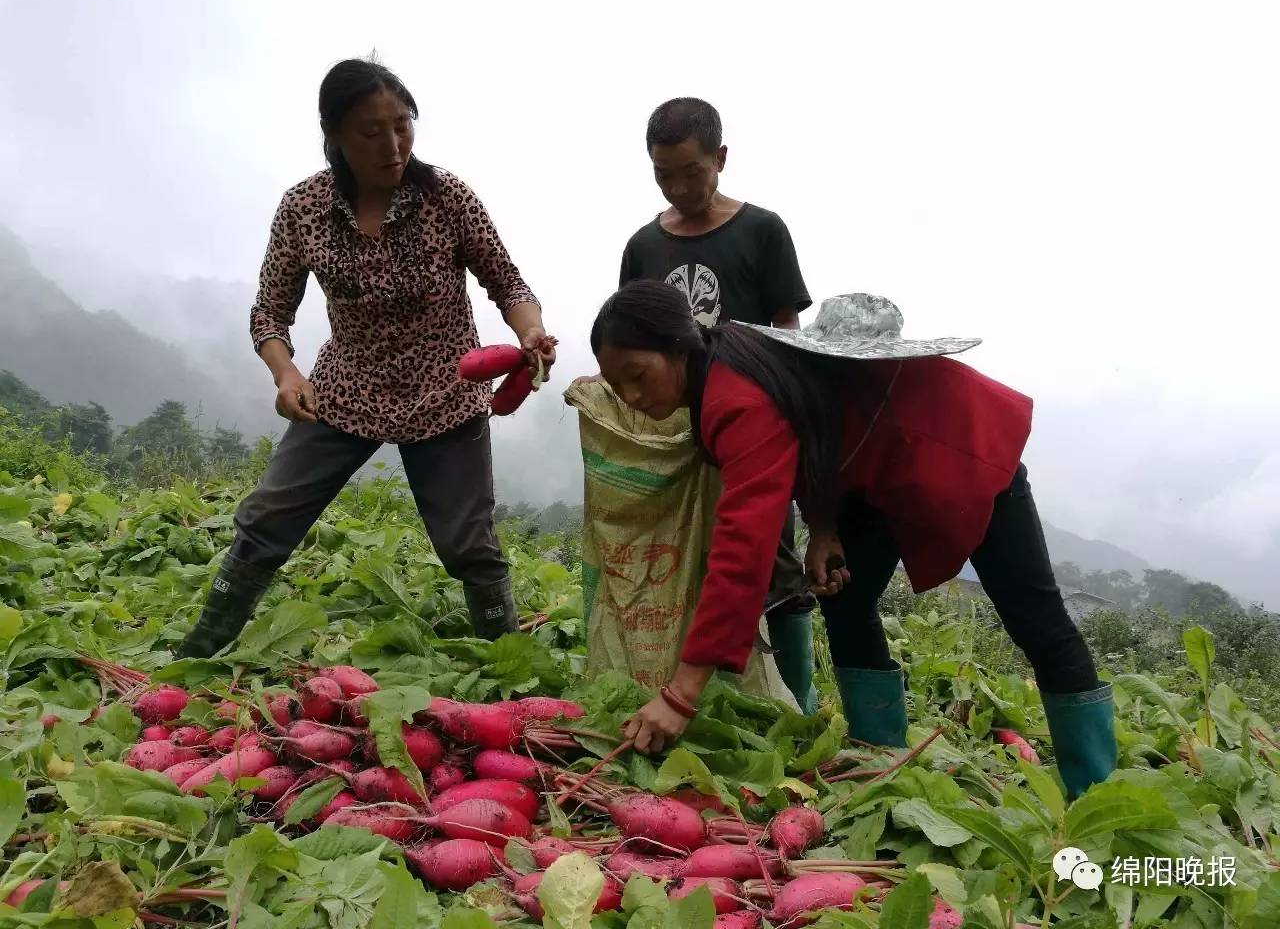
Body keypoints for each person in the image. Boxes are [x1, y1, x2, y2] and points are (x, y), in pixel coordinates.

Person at [589, 281, 1116, 800]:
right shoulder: (730, 363)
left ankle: (1097, 794)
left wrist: (681, 695)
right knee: (844, 596)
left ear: (680, 346)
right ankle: (880, 760)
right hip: (876, 473)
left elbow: (742, 548)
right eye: (620, 388)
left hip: (961, 451)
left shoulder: (736, 396)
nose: (634, 398)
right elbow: (816, 426)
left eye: (639, 375)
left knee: (1036, 621)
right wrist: (823, 530)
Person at [176, 57, 557, 659]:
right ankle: (200, 648)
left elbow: (507, 282)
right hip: (346, 390)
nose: (393, 144)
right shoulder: (304, 208)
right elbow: (269, 314)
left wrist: (531, 332)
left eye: (402, 124)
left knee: (467, 543)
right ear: (333, 135)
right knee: (268, 516)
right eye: (371, 131)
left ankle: (509, 660)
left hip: (445, 393)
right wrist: (286, 373)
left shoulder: (446, 196)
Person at [613, 97, 820, 714]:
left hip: (752, 432)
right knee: (681, 556)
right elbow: (632, 340)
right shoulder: (643, 247)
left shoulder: (762, 231)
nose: (679, 188)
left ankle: (795, 699)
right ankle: (703, 686)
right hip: (677, 433)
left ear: (720, 159)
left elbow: (788, 336)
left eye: (692, 172)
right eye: (663, 176)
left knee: (767, 556)